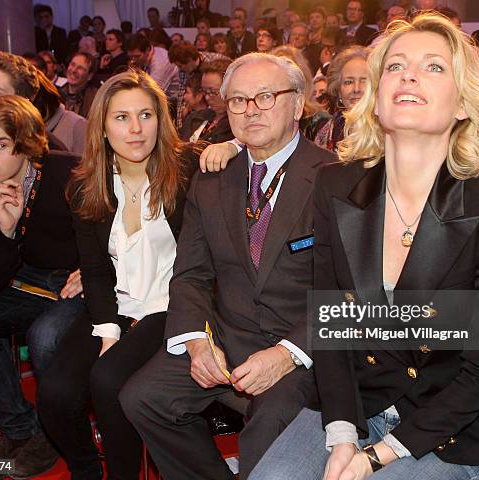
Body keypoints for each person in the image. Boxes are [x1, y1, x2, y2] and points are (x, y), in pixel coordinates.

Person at [248, 14, 479, 480]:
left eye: (434, 67)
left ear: (463, 105)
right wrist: (341, 437)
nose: (409, 74)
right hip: (355, 406)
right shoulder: (336, 187)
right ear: (376, 99)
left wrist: (377, 456)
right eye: (395, 66)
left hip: (446, 429)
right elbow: (332, 326)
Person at [120, 52, 335, 480]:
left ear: (297, 105)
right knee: (142, 398)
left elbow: (353, 290)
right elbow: (191, 274)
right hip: (226, 336)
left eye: (265, 96)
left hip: (302, 348)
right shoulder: (213, 177)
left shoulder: (334, 178)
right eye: (238, 100)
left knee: (267, 438)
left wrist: (287, 354)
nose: (250, 109)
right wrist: (196, 342)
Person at [37, 69, 195, 480]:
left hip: (171, 305)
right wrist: (108, 331)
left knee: (107, 380)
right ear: (102, 127)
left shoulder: (187, 170)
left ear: (161, 120)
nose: (136, 128)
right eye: (121, 117)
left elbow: (241, 147)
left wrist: (229, 149)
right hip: (116, 305)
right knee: (54, 393)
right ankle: (88, 469)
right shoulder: (85, 187)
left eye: (146, 115)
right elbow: (93, 268)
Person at [0, 94, 85, 478]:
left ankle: (57, 434)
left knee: (45, 336)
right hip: (23, 283)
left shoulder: (67, 174)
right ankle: (23, 433)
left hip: (79, 282)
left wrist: (97, 271)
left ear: (24, 144)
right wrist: (6, 231)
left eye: (0, 145)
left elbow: (115, 230)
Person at [315, 46, 369, 151]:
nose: (356, 89)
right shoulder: (327, 132)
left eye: (364, 81)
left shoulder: (389, 131)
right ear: (339, 90)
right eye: (348, 82)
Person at [59, 52, 98, 118]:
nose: (74, 70)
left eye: (80, 68)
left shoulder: (96, 99)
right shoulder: (57, 94)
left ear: (90, 76)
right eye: (72, 64)